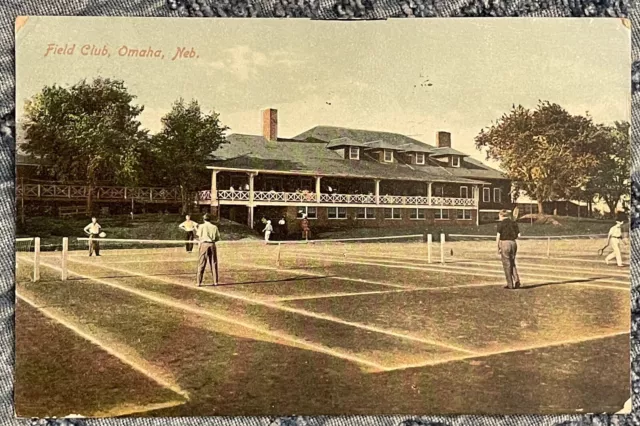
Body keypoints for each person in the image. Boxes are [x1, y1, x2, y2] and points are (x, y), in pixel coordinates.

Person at [496, 209, 520, 289]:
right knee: (512, 262)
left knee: (507, 264)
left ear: (501, 215)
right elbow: (519, 235)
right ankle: (517, 280)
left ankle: (510, 284)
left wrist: (498, 247)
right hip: (513, 243)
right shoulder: (514, 223)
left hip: (505, 243)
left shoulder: (501, 224)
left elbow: (498, 237)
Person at [196, 214, 221, 286]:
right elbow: (217, 238)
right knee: (214, 262)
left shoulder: (201, 226)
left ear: (204, 219)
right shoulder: (214, 227)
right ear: (210, 219)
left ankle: (198, 282)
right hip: (212, 244)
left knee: (201, 263)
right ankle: (215, 281)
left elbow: (199, 236)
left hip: (204, 244)